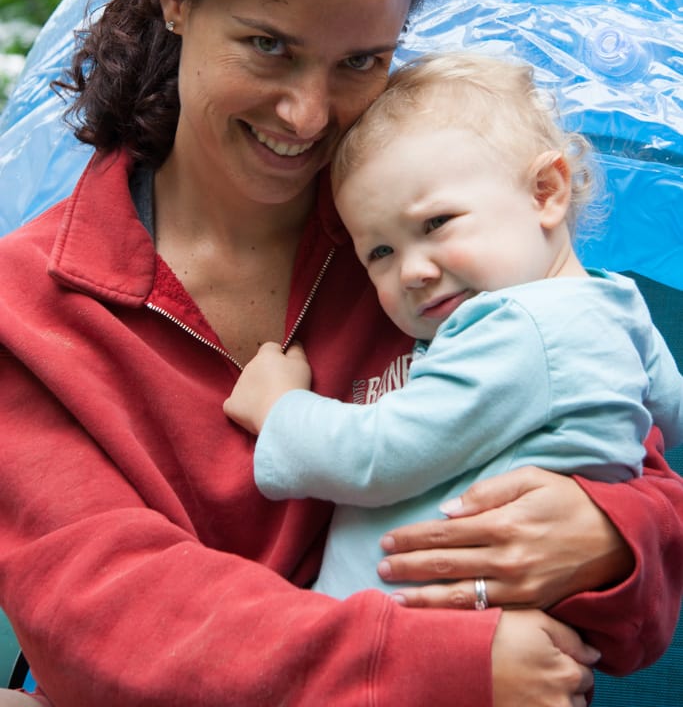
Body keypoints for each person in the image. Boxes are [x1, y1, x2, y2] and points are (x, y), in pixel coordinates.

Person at [0, 0, 681, 707]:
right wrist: (434, 664)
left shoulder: (432, 237)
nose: (308, 115)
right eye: (268, 46)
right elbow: (113, 613)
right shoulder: (27, 308)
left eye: (361, 61)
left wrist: (611, 535)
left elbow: (648, 480)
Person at [223, 51, 683, 602]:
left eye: (436, 223)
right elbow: (669, 419)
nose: (413, 271)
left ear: (545, 192)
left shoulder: (518, 329)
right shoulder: (620, 308)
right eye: (380, 251)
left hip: (417, 627)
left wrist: (280, 410)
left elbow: (382, 455)